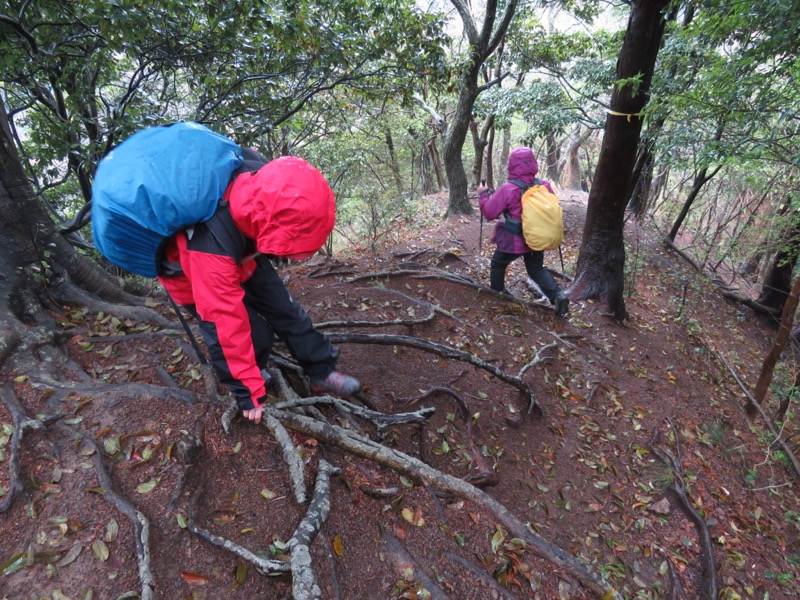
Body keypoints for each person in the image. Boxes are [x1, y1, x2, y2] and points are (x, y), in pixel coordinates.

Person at [158, 150, 361, 424]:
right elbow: (223, 322)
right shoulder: (210, 248)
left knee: (286, 310)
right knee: (256, 335)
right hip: (195, 276)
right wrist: (247, 391)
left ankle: (321, 372)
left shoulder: (255, 176)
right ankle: (253, 373)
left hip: (245, 251)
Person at [477, 147, 569, 317]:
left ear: (511, 166)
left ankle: (497, 296)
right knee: (536, 269)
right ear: (533, 163)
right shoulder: (544, 185)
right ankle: (558, 296)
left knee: (498, 264)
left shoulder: (508, 188)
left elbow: (490, 213)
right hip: (537, 238)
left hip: (514, 240)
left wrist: (483, 195)